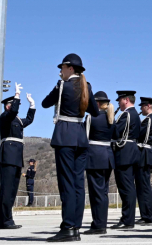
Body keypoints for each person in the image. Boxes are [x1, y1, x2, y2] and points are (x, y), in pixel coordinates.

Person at [41, 53, 100, 242]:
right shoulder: (86, 86)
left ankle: (68, 227)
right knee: (77, 184)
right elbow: (95, 111)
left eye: (63, 68)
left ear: (70, 68)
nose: (61, 71)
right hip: (80, 137)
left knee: (66, 183)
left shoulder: (62, 86)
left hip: (65, 136)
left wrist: (59, 85)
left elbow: (45, 103)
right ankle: (76, 227)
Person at [0, 82, 35, 230]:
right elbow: (13, 112)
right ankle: (5, 221)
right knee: (7, 190)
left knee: (12, 190)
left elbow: (29, 120)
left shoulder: (17, 120)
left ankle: (8, 220)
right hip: (7, 156)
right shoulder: (5, 117)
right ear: (8, 106)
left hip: (16, 158)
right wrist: (17, 95)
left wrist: (32, 105)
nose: (15, 106)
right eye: (13, 104)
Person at [84, 91, 116, 235]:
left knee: (96, 193)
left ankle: (98, 225)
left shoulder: (91, 117)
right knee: (103, 192)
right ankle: (101, 223)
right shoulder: (111, 119)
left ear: (96, 103)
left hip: (94, 157)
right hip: (107, 157)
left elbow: (84, 137)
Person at [110, 90, 142, 230]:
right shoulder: (134, 114)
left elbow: (117, 132)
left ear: (126, 100)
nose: (118, 103)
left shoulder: (127, 114)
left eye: (120, 100)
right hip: (131, 151)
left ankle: (127, 219)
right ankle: (128, 218)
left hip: (124, 153)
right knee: (127, 187)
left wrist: (110, 122)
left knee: (126, 187)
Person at [136, 97, 152, 225]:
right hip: (144, 153)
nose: (141, 108)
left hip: (144, 153)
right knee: (142, 186)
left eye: (142, 106)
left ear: (148, 106)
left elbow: (142, 136)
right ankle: (145, 214)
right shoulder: (149, 119)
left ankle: (148, 215)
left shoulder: (149, 120)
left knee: (144, 186)